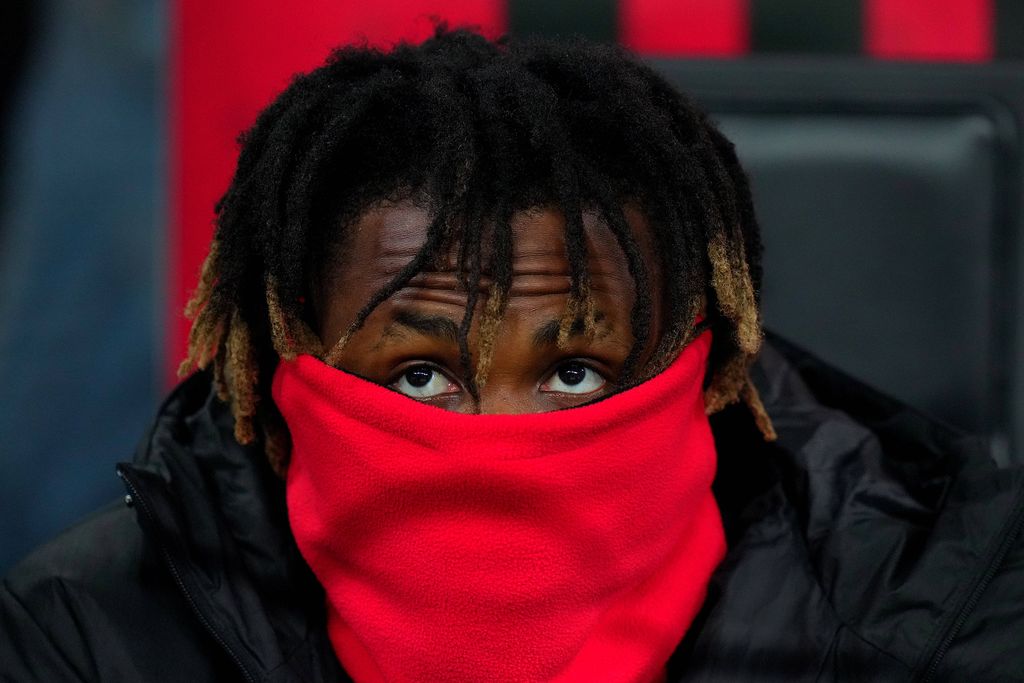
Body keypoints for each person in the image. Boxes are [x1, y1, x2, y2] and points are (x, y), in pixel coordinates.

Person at [2, 28, 1023, 682]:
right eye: (419, 376)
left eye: (574, 372)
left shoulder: (934, 606)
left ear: (706, 372)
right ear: (280, 379)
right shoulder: (86, 633)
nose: (495, 440)